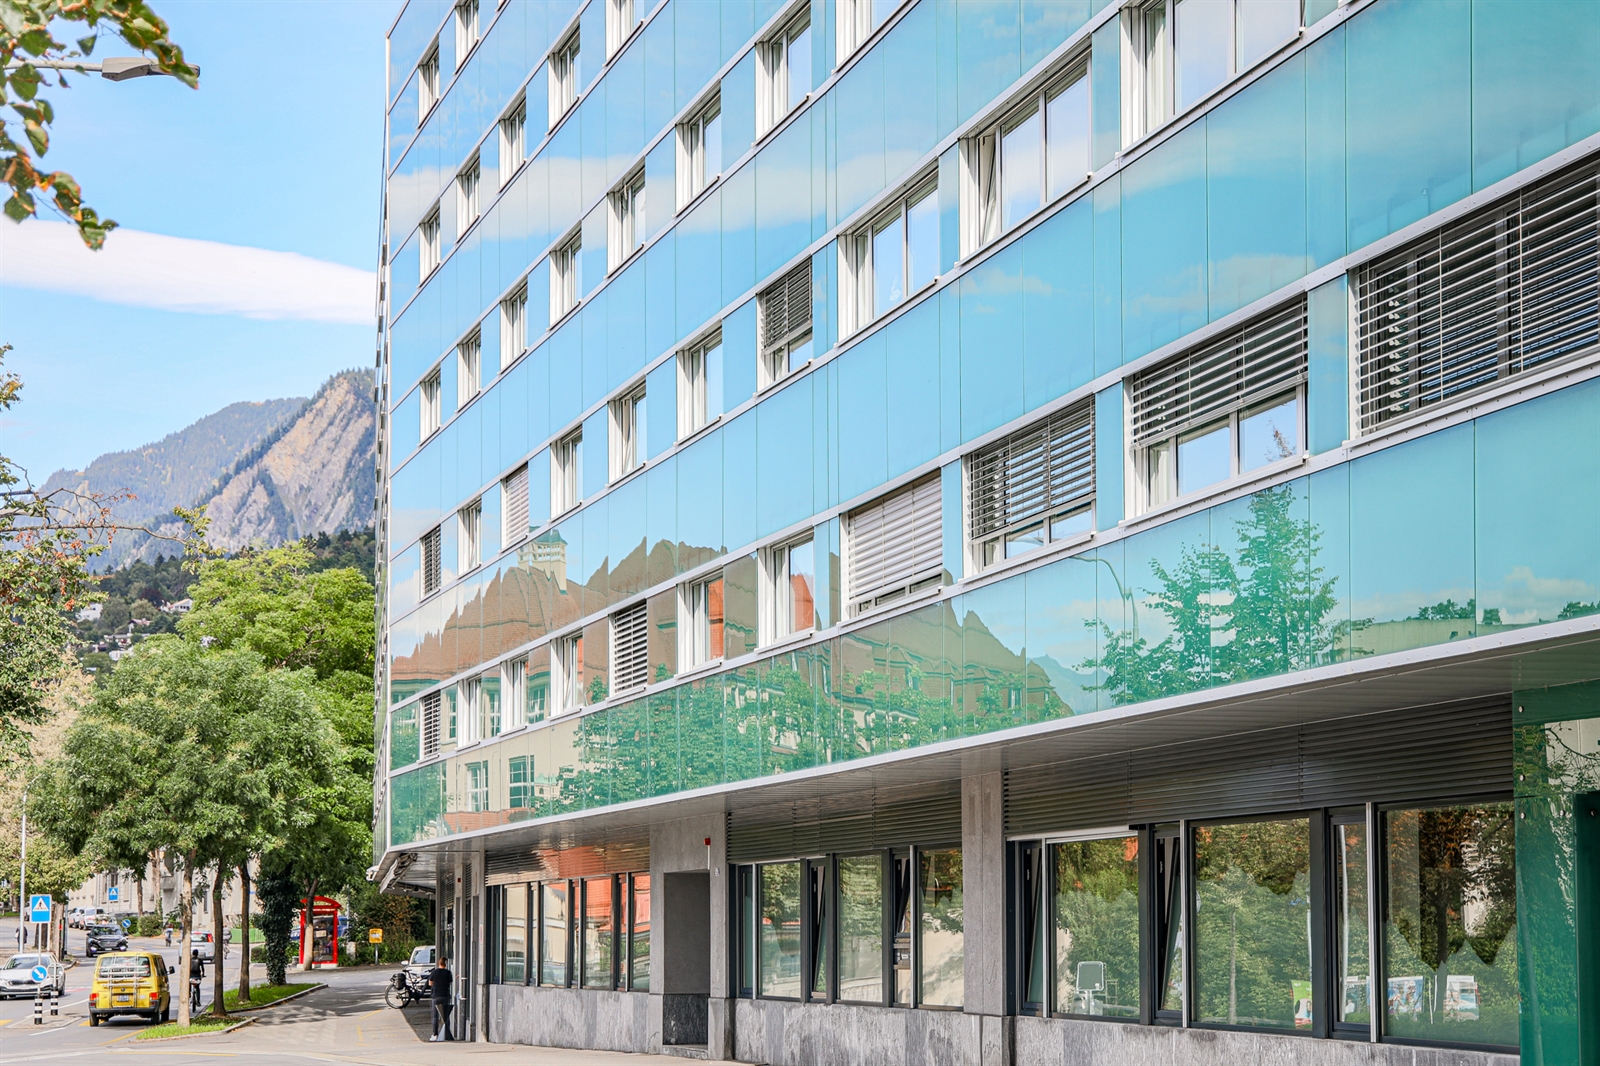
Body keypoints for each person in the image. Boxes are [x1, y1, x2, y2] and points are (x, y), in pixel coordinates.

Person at [427, 958, 453, 1042]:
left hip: (436, 996)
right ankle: (446, 1033)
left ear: (439, 963)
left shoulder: (434, 972)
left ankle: (435, 1034)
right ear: (446, 964)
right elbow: (450, 982)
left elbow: (430, 983)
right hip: (445, 995)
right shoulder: (448, 972)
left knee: (435, 1016)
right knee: (446, 1015)